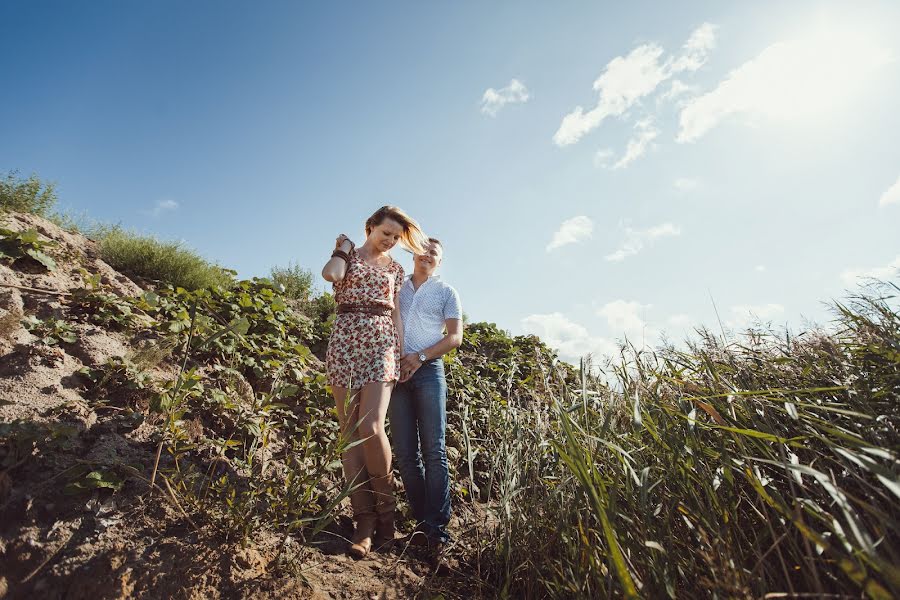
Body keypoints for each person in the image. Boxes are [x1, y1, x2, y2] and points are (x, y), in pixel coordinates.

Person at [321, 206, 428, 558]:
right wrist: (343, 248)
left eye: (397, 238)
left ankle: (387, 516)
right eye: (386, 234)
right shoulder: (348, 255)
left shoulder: (396, 269)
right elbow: (330, 276)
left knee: (371, 425)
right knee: (349, 431)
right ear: (370, 227)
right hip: (345, 339)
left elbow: (395, 311)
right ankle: (363, 521)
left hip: (381, 343)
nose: (391, 242)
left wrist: (397, 353)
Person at [389, 238, 463, 551]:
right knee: (406, 455)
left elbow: (455, 337)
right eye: (424, 250)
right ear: (414, 253)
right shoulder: (397, 285)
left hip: (429, 371)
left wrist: (419, 358)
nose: (428, 255)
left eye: (434, 253)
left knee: (434, 450)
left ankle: (438, 531)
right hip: (396, 373)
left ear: (439, 262)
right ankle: (423, 525)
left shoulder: (447, 292)